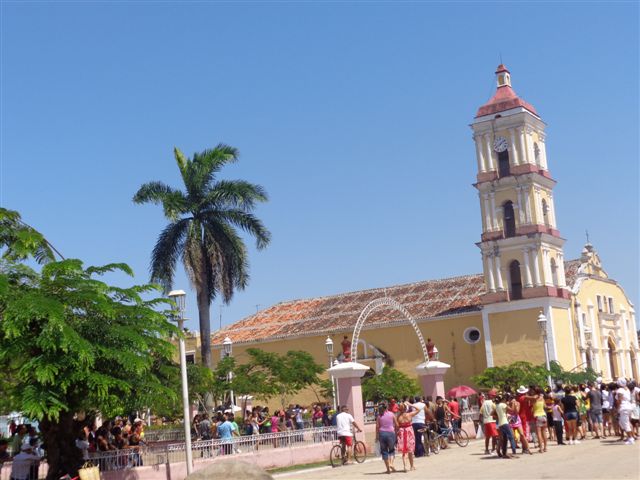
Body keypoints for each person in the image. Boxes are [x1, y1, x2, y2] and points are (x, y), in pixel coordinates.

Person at [397, 403, 422, 472]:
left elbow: (396, 425)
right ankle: (412, 466)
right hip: (409, 432)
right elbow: (418, 409)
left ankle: (405, 466)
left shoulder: (398, 416)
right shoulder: (409, 414)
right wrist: (410, 404)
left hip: (402, 431)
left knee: (404, 451)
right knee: (410, 450)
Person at [375, 403, 398, 474]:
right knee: (392, 450)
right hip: (391, 433)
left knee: (384, 451)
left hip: (382, 434)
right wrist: (396, 432)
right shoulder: (391, 414)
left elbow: (377, 427)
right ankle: (391, 463)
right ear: (386, 408)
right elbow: (397, 424)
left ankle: (388, 469)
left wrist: (377, 436)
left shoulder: (379, 416)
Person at [616, 378, 635, 444]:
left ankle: (630, 438)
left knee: (625, 423)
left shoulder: (620, 390)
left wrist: (618, 408)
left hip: (623, 407)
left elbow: (619, 400)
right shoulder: (627, 389)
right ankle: (631, 437)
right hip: (628, 406)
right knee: (625, 423)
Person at [481, 390, 499, 455]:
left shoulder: (484, 402)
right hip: (492, 421)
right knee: (494, 436)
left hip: (486, 421)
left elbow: (481, 412)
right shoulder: (493, 403)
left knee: (487, 437)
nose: (494, 397)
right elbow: (496, 411)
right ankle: (493, 449)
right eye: (494, 396)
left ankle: (486, 449)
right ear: (491, 396)